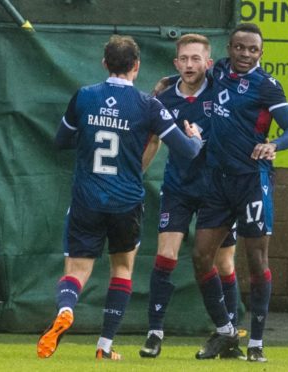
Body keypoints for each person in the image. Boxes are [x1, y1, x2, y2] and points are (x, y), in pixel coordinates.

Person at [36, 35, 203, 360]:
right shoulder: (147, 105)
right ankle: (104, 346)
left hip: (87, 198)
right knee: (122, 269)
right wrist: (195, 138)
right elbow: (186, 151)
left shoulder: (84, 97)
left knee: (77, 269)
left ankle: (67, 308)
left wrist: (91, 134)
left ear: (104, 64)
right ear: (137, 66)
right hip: (126, 202)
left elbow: (61, 140)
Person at [191, 23, 288, 363]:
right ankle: (225, 331)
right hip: (218, 182)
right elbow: (190, 70)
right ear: (230, 47)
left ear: (261, 53)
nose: (245, 54)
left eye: (252, 49)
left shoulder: (267, 86)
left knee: (255, 260)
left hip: (252, 181)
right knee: (199, 256)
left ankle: (255, 342)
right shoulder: (219, 70)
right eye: (240, 47)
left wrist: (274, 145)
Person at [138, 34, 243, 359]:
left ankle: (231, 336)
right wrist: (134, 175)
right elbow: (153, 141)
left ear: (208, 63)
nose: (189, 64)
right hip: (179, 189)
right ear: (175, 62)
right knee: (165, 255)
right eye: (183, 58)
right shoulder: (164, 99)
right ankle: (155, 332)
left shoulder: (221, 92)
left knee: (224, 263)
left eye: (196, 58)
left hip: (218, 191)